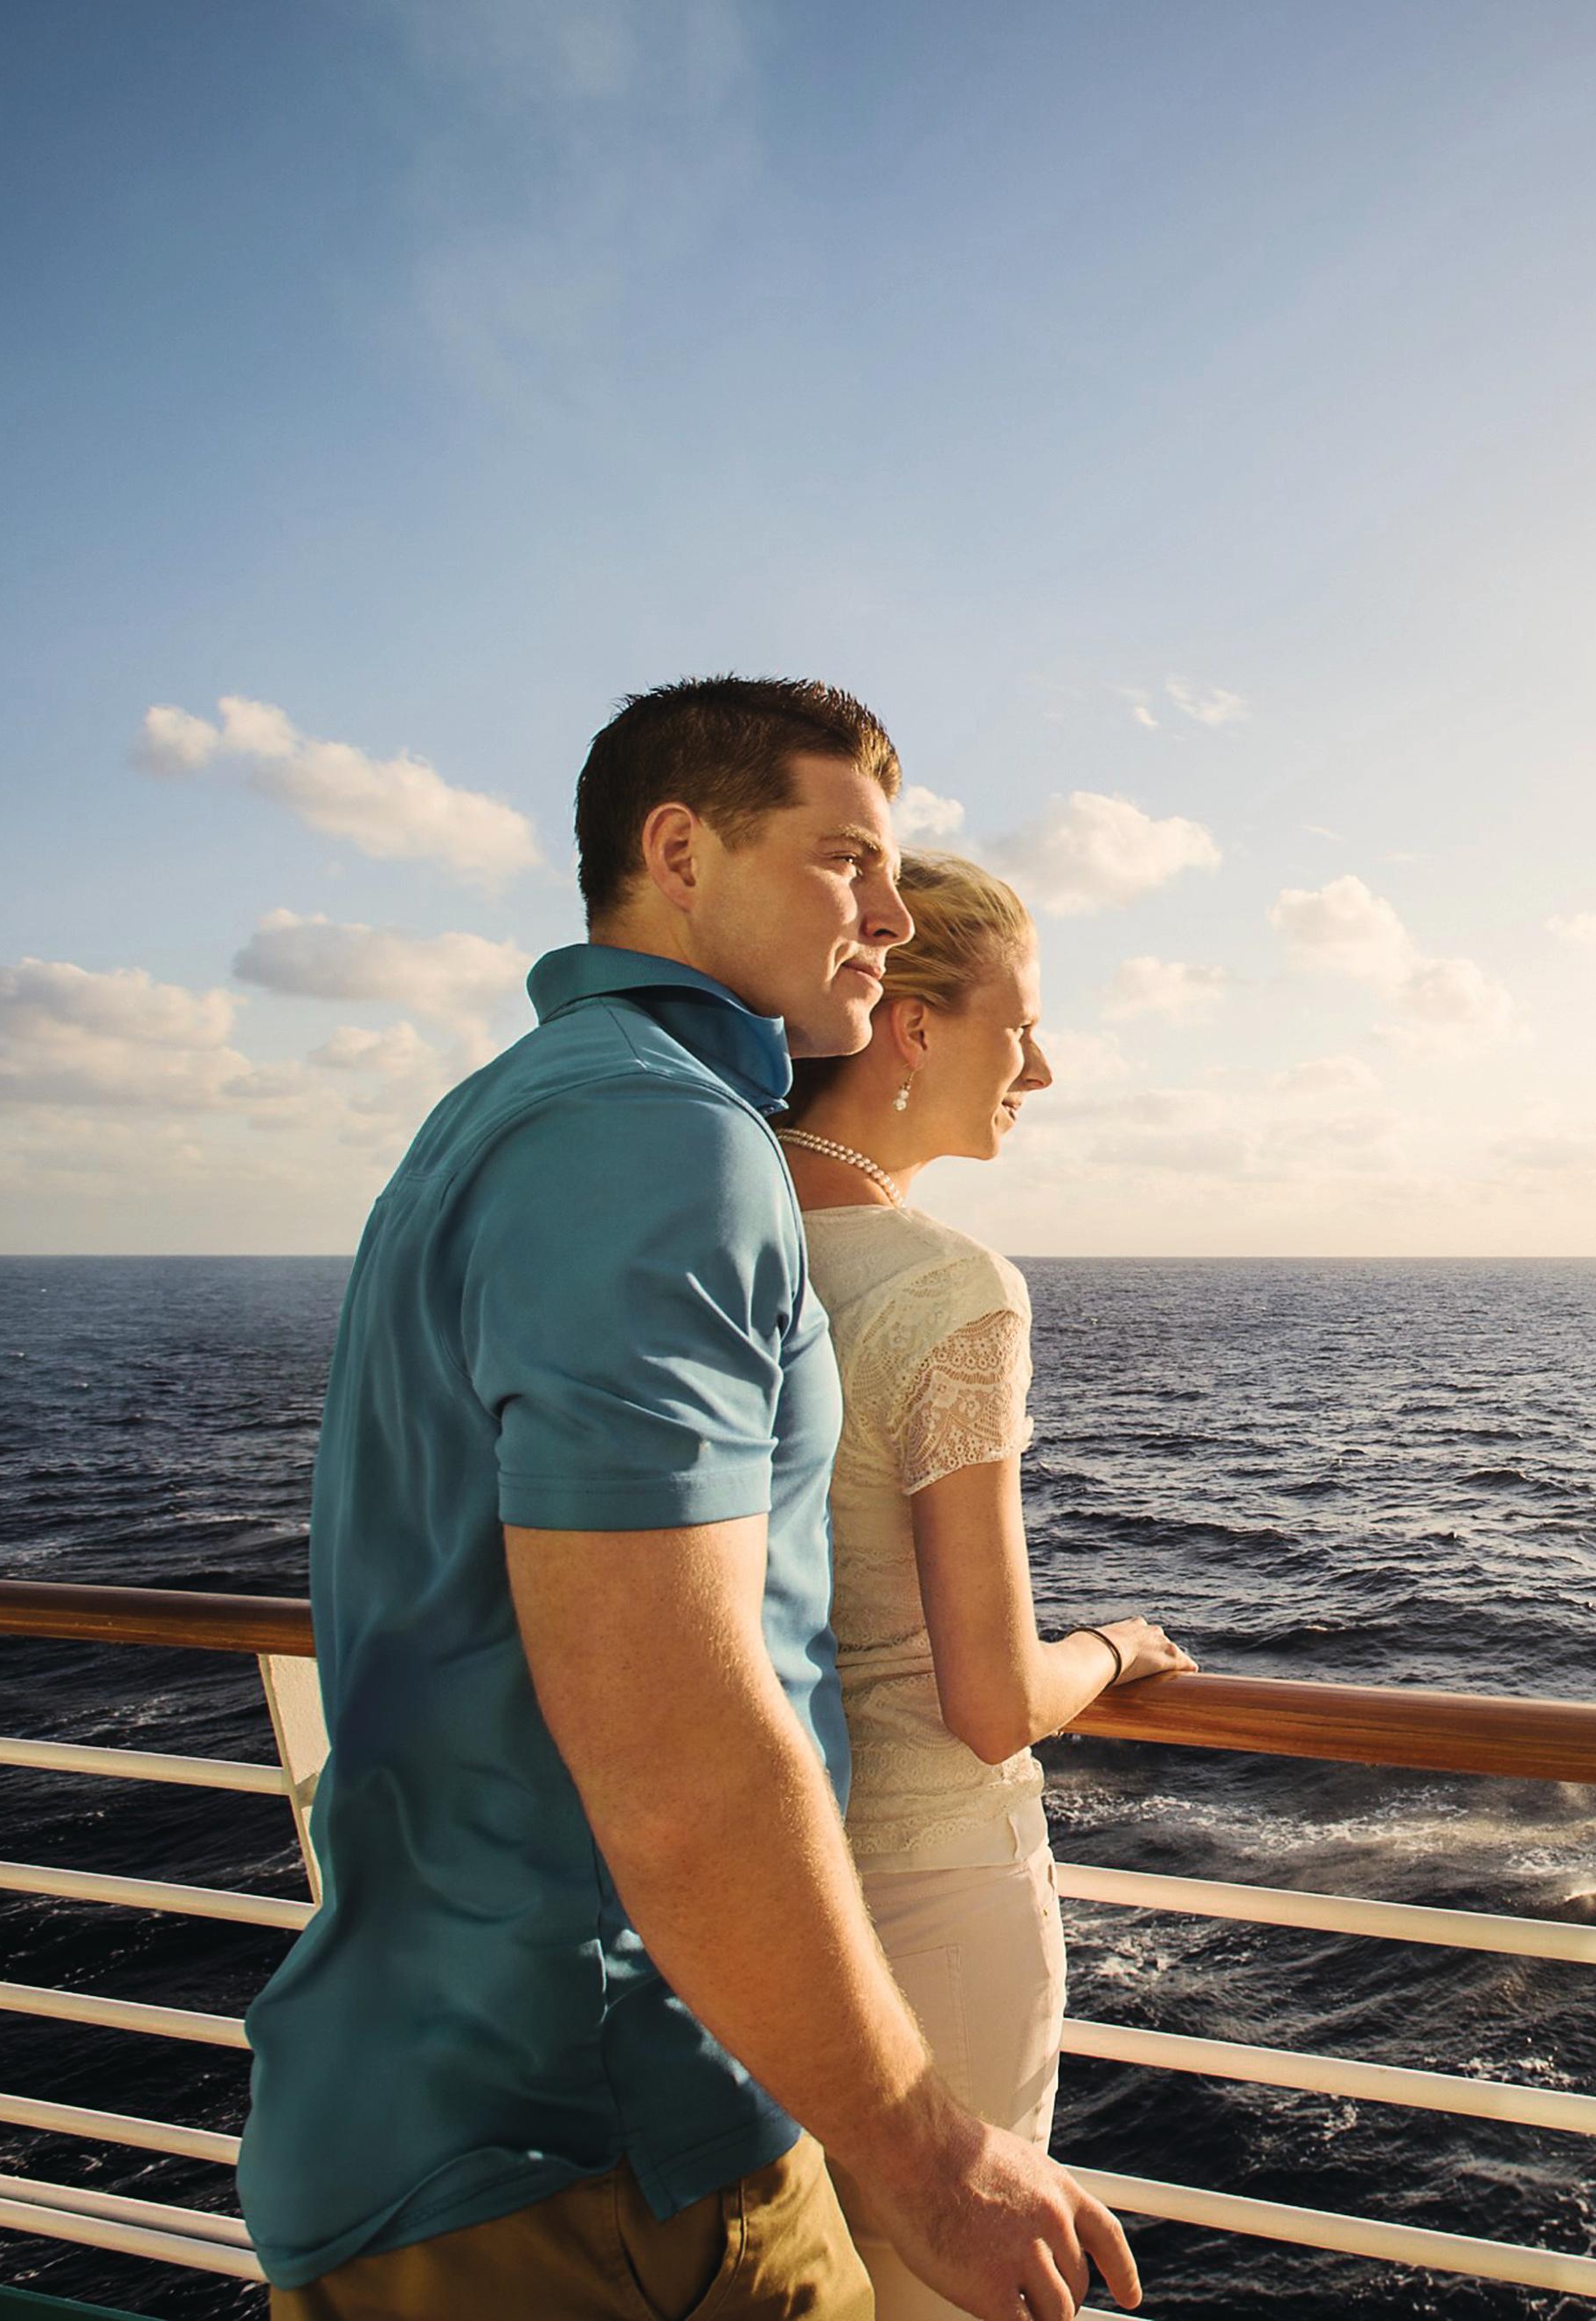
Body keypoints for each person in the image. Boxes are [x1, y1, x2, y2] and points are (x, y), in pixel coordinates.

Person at [240, 679, 1138, 2321]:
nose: (888, 916)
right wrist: (929, 2154)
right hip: (593, 2147)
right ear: (679, 854)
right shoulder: (660, 1140)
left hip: (456, 2106)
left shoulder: (510, 1109)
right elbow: (677, 1738)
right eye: (846, 861)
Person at [772, 851, 1195, 2321]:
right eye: (1021, 1027)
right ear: (913, 1026)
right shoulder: (952, 1286)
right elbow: (996, 1698)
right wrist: (1118, 1644)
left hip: (760, 1905)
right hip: (933, 1905)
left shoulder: (713, 1240)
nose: (1045, 1069)